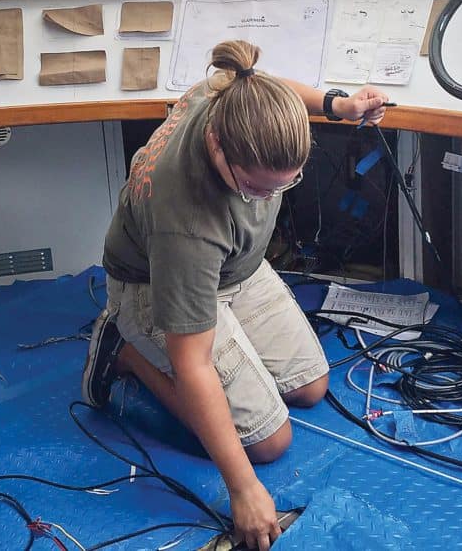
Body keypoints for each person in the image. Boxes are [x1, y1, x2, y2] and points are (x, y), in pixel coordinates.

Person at [82, 39, 389, 550]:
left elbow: (273, 93)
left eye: (283, 187)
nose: (268, 200)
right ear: (219, 148)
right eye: (255, 189)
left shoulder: (230, 91)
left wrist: (339, 105)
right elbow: (193, 363)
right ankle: (128, 351)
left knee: (310, 386)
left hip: (234, 268)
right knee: (269, 442)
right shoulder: (188, 221)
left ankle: (222, 348)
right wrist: (244, 488)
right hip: (158, 284)